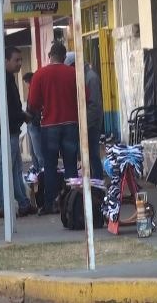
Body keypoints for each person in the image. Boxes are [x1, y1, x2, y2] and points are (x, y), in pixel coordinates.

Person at [28, 43, 79, 215]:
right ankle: (71, 202)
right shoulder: (73, 73)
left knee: (50, 166)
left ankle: (50, 203)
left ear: (50, 55)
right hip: (71, 123)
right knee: (71, 164)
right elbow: (84, 96)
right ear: (64, 57)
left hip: (49, 125)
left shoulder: (40, 74)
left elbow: (33, 103)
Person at [0, 47, 37, 218]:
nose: (19, 64)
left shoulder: (4, 78)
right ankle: (4, 205)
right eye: (16, 60)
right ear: (6, 60)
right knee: (6, 168)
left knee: (15, 168)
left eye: (20, 60)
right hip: (6, 130)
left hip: (8, 129)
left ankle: (23, 202)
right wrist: (23, 115)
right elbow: (8, 108)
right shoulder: (3, 80)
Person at [64, 52, 104, 180]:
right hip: (86, 122)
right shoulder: (83, 76)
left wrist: (84, 124)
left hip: (91, 124)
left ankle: (97, 180)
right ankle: (93, 180)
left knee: (92, 154)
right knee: (88, 155)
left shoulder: (90, 78)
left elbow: (94, 105)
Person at [22, 72, 44, 183]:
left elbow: (35, 107)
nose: (27, 86)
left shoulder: (35, 90)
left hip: (34, 123)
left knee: (38, 151)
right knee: (33, 151)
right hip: (31, 123)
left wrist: (33, 120)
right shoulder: (32, 90)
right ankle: (37, 171)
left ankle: (42, 172)